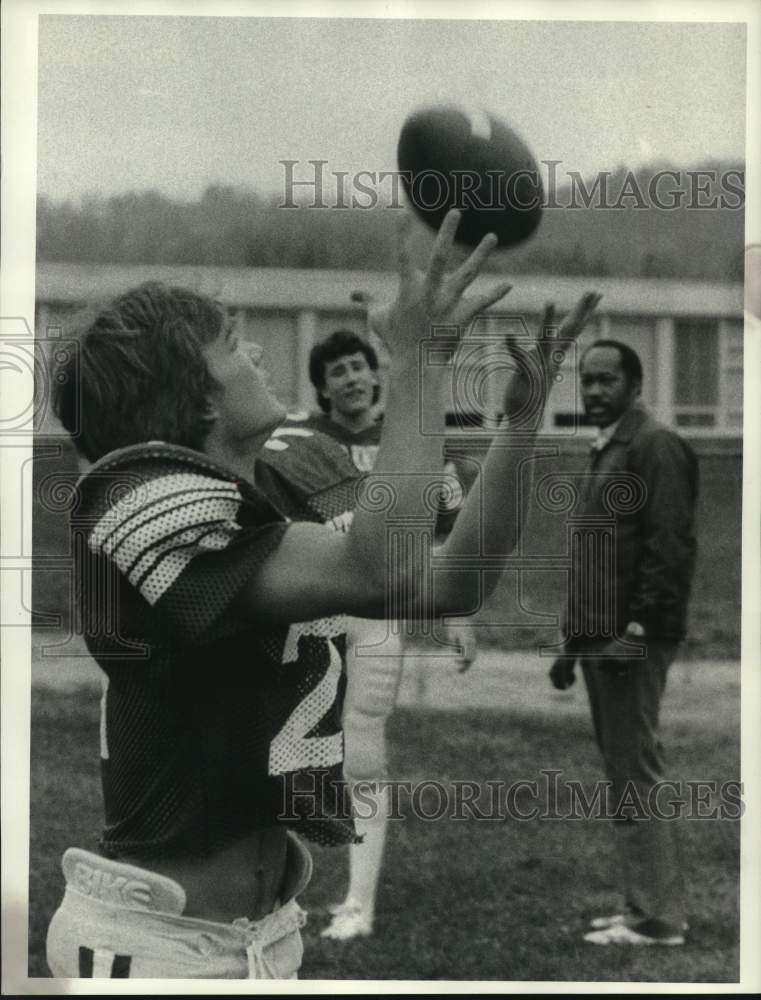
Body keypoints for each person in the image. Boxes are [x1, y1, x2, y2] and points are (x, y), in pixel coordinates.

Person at [44, 208, 595, 979]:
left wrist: (521, 426)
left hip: (260, 931)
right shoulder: (132, 501)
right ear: (197, 395)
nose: (259, 352)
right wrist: (420, 360)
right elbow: (384, 569)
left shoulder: (273, 486)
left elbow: (453, 583)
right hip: (158, 944)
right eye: (235, 344)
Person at [258, 330, 476, 942]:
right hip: (313, 609)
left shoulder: (406, 441)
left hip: (378, 614)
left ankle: (359, 902)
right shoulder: (298, 441)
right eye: (337, 371)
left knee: (365, 755)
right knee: (283, 749)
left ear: (374, 375)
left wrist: (456, 615)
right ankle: (273, 890)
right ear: (322, 385)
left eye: (358, 366)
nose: (351, 378)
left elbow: (441, 536)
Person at [549, 339, 698, 947]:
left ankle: (659, 917)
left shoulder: (654, 445)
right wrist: (571, 643)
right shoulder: (610, 447)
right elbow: (597, 556)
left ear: (635, 385)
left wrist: (634, 632)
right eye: (586, 380)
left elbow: (670, 548)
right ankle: (641, 906)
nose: (593, 391)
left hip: (627, 641)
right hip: (597, 640)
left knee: (635, 771)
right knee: (623, 773)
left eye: (607, 380)